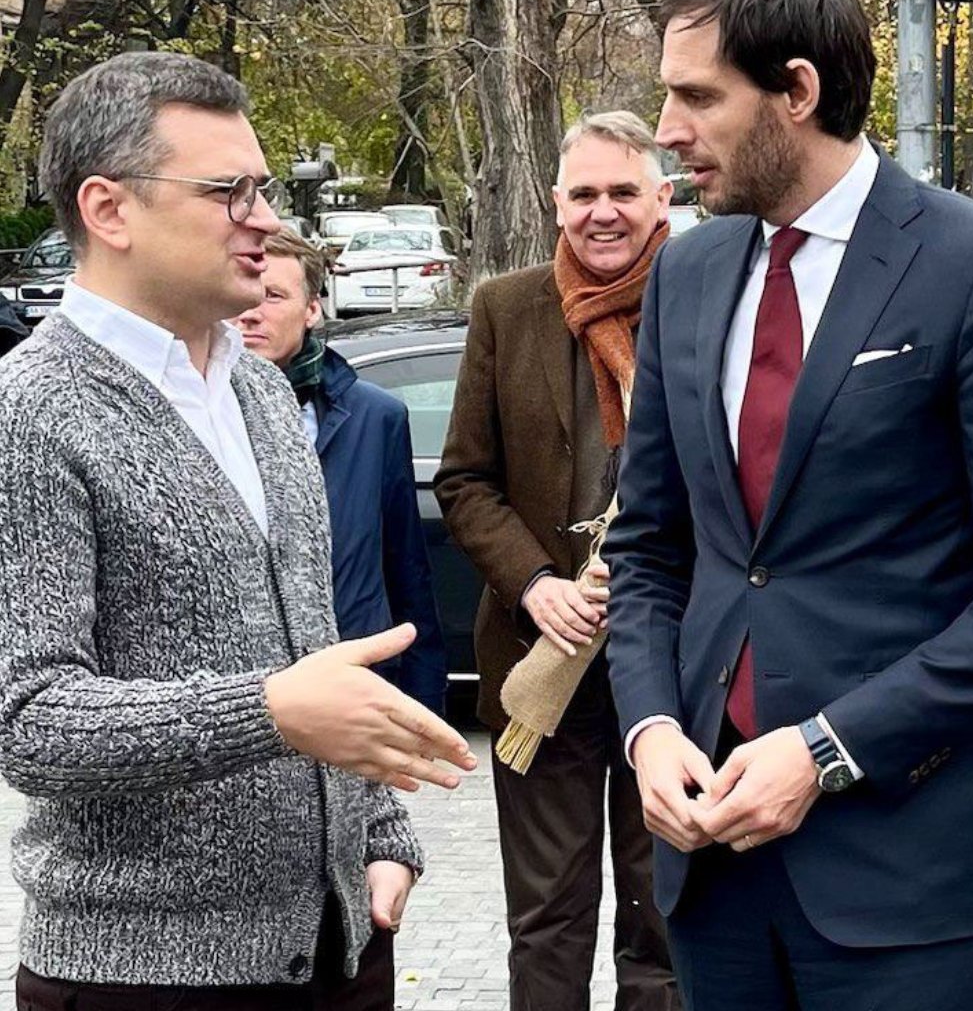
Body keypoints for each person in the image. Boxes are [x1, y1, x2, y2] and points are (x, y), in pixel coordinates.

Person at [603, 0, 973, 1011]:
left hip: (906, 868)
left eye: (695, 97)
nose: (668, 133)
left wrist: (826, 751)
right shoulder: (687, 269)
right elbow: (648, 549)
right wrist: (650, 730)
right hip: (712, 867)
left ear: (797, 92)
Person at [0, 51, 474, 1011]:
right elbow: (27, 720)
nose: (265, 218)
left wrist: (382, 834)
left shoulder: (262, 392)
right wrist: (265, 711)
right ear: (109, 209)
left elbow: (315, 655)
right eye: (228, 191)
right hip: (144, 978)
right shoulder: (28, 413)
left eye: (261, 188)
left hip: (339, 949)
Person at [436, 111, 681, 1011]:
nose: (604, 212)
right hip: (540, 671)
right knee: (547, 920)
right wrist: (537, 585)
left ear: (665, 195)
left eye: (624, 191)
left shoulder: (705, 301)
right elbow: (466, 481)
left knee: (664, 919)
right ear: (556, 202)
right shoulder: (506, 307)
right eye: (585, 194)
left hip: (677, 664)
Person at [233, 228, 448, 715]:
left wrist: (423, 694)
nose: (251, 312)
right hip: (242, 690)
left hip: (356, 682)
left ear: (312, 309)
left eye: (273, 296)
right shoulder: (192, 413)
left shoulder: (376, 418)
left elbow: (405, 568)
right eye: (243, 293)